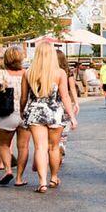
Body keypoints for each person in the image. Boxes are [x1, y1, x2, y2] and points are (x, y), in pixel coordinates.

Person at [21, 38, 78, 193]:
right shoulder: (59, 73)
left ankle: (42, 182)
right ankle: (53, 177)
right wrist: (72, 117)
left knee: (40, 148)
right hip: (54, 112)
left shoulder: (28, 73)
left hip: (35, 111)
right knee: (54, 147)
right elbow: (65, 97)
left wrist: (22, 111)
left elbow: (24, 97)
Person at [0, 47, 27, 185]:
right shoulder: (27, 73)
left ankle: (8, 170)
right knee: (23, 147)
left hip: (8, 114)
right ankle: (19, 178)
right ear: (21, 58)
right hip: (25, 113)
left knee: (4, 144)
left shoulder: (1, 74)